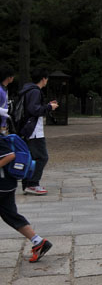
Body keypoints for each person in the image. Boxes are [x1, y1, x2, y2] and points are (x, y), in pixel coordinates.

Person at [0, 104, 52, 262]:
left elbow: (10, 156)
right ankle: (38, 242)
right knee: (11, 216)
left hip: (2, 185)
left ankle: (38, 241)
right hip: (6, 185)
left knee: (11, 215)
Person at [18, 70, 58, 196]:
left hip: (26, 129)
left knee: (30, 158)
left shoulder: (27, 90)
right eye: (46, 79)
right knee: (42, 157)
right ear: (43, 78)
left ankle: (27, 184)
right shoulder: (35, 91)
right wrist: (49, 107)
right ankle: (32, 184)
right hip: (34, 130)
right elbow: (34, 110)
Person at [0, 65, 13, 135]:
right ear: (8, 77)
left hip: (4, 125)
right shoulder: (0, 90)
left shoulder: (5, 89)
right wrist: (7, 111)